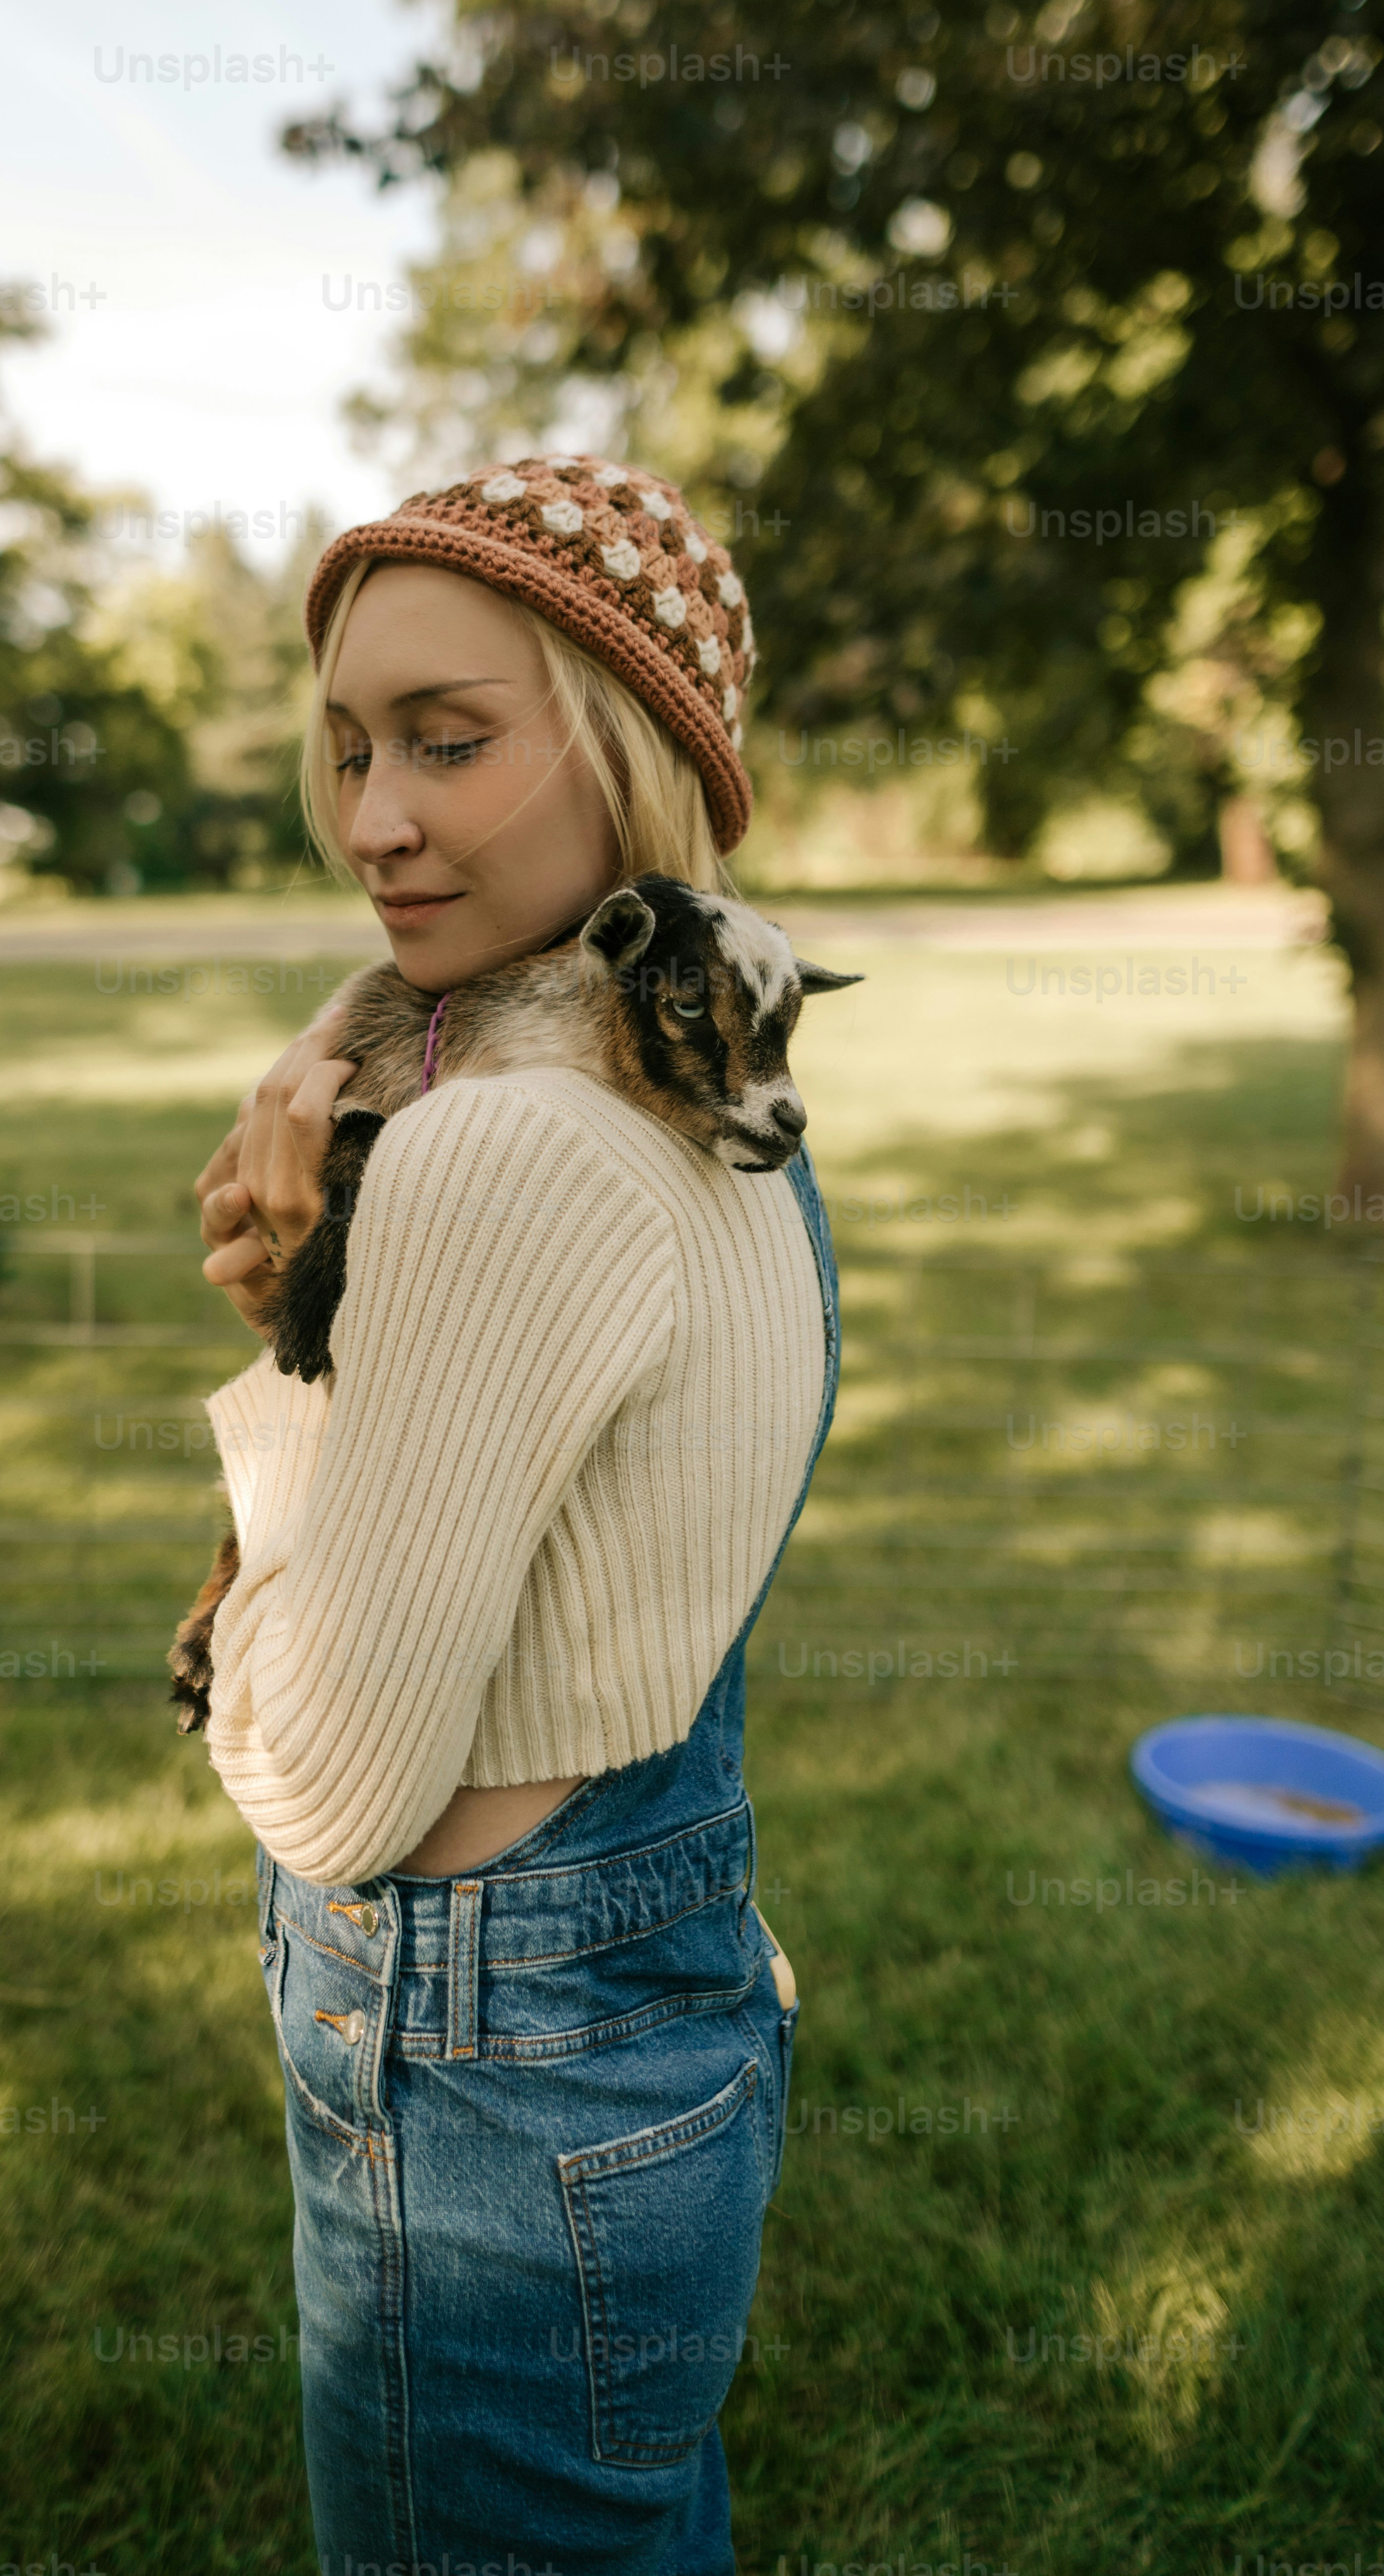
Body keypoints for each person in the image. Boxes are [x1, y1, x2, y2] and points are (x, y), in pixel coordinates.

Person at [189, 455, 841, 2574]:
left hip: (487, 2052)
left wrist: (300, 1339)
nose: (373, 820)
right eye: (352, 747)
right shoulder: (723, 1080)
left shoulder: (492, 1159)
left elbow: (328, 1790)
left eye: (449, 742)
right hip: (660, 1988)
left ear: (637, 749)